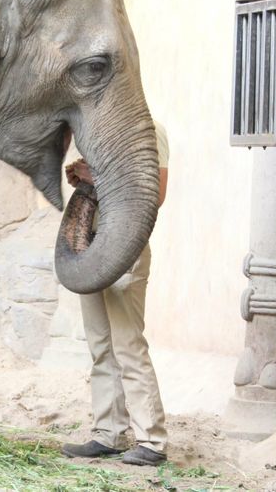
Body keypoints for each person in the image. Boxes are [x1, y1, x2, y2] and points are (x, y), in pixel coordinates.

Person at [61, 120, 169, 466]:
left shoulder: (148, 130)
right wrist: (81, 178)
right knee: (100, 345)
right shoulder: (95, 131)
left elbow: (157, 194)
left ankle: (152, 440)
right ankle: (109, 433)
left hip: (125, 247)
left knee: (128, 344)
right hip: (90, 248)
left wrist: (95, 177)